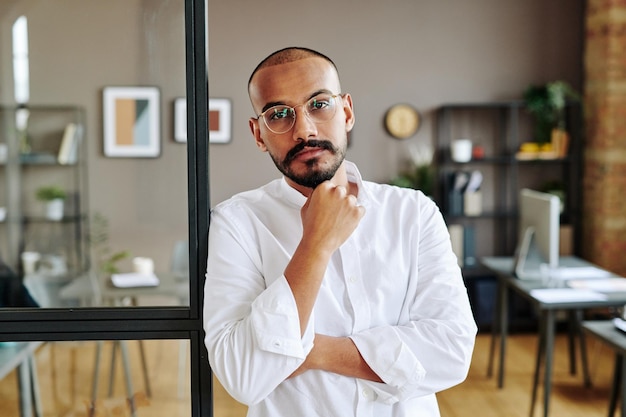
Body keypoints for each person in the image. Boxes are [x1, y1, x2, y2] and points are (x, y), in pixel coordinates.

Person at [203, 46, 477, 417]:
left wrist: (311, 351)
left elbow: (453, 351)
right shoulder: (236, 223)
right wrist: (315, 245)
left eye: (319, 104)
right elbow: (244, 377)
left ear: (346, 111)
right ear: (258, 134)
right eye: (279, 114)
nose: (304, 129)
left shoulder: (414, 213)